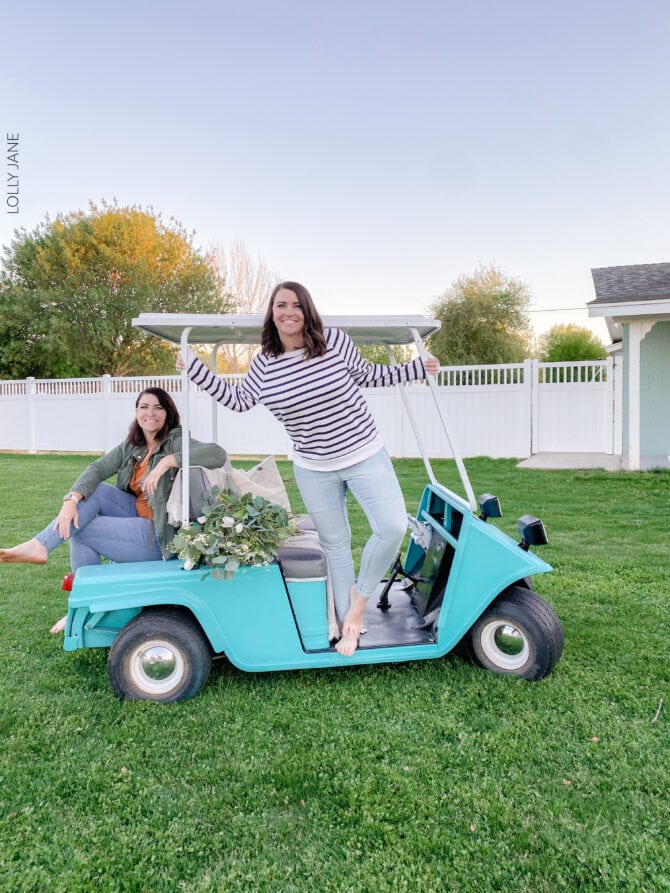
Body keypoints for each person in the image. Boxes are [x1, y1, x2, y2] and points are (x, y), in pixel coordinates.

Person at [179, 281, 439, 656]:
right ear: (272, 312)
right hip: (313, 467)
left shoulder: (334, 341)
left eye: (297, 305)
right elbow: (238, 400)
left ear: (307, 311)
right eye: (281, 305)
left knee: (392, 526)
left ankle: (358, 602)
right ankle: (351, 625)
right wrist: (195, 370)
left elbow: (368, 375)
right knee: (336, 545)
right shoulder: (265, 364)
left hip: (364, 452)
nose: (289, 312)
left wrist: (418, 368)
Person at [0, 387, 227, 633]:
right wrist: (71, 500)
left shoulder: (176, 440)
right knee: (93, 493)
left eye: (158, 407)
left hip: (159, 534)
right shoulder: (134, 445)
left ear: (168, 413)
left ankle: (83, 606)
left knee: (82, 530)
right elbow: (98, 468)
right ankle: (42, 547)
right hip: (136, 514)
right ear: (136, 412)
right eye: (144, 407)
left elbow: (217, 453)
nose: (150, 413)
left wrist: (166, 462)